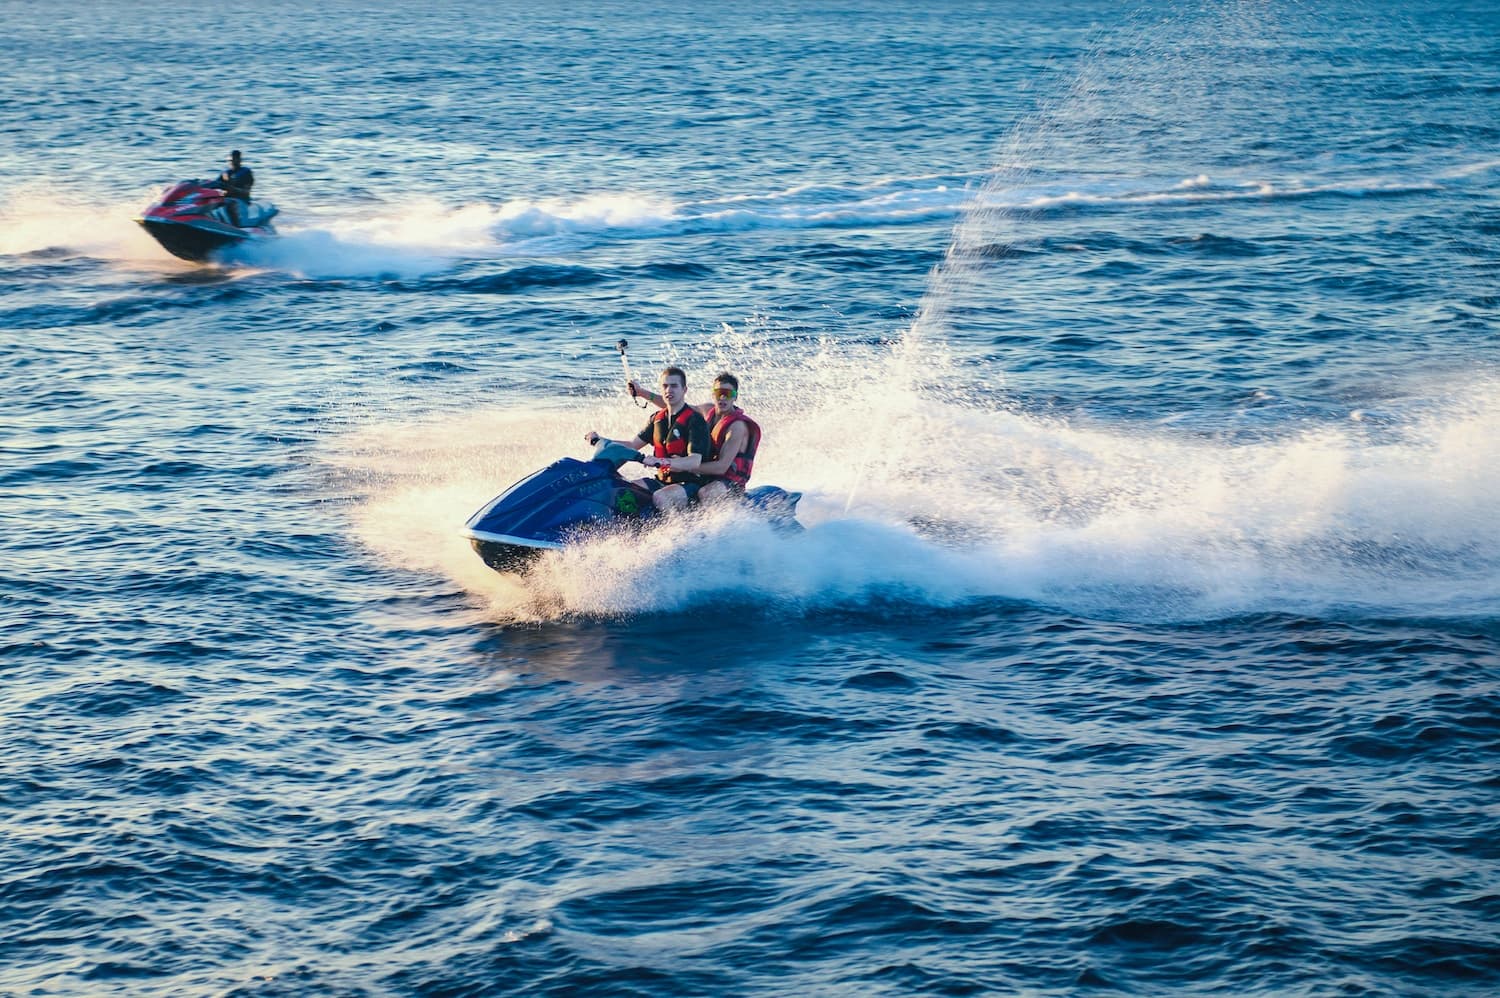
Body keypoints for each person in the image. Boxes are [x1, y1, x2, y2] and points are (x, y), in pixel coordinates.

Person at [585, 366, 710, 510]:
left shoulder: (695, 420)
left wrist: (661, 461)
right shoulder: (657, 419)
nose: (669, 390)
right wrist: (601, 440)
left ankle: (677, 525)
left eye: (674, 386)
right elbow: (632, 445)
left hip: (690, 483)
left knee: (661, 497)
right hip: (662, 481)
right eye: (665, 386)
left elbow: (694, 461)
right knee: (622, 490)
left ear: (684, 390)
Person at [628, 371, 760, 501]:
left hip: (729, 480)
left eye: (728, 394)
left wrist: (681, 465)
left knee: (706, 493)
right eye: (719, 393)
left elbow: (721, 467)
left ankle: (710, 516)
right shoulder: (708, 410)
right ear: (713, 395)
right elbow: (675, 406)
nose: (722, 398)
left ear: (735, 397)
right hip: (706, 475)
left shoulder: (737, 427)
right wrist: (642, 393)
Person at [208, 150, 255, 226]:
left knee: (230, 203)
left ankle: (237, 227)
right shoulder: (226, 174)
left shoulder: (246, 172)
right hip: (227, 198)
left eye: (235, 159)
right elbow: (216, 184)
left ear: (240, 160)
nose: (232, 162)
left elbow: (246, 192)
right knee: (212, 201)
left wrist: (233, 189)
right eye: (231, 160)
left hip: (241, 200)